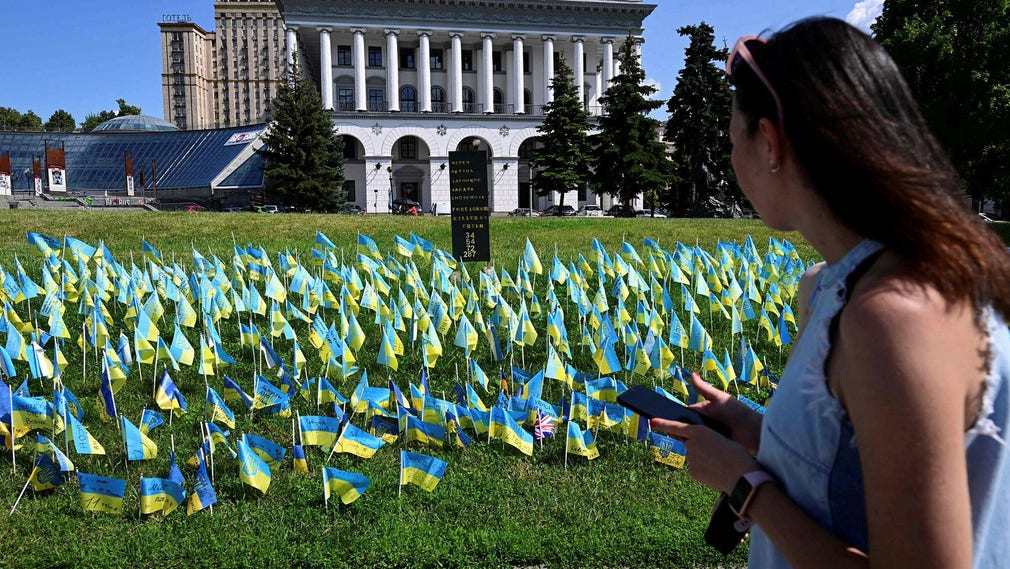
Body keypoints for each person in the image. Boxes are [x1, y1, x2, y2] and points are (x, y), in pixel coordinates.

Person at [650, 17, 1010, 569]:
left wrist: (745, 487)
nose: (729, 159)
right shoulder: (842, 284)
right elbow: (861, 464)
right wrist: (757, 430)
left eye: (730, 141)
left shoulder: (891, 316)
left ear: (770, 142)